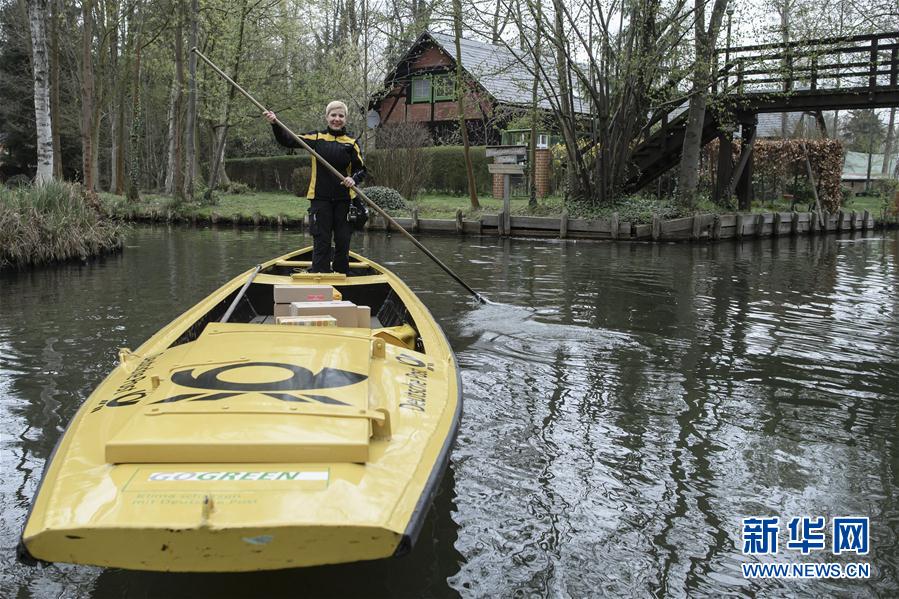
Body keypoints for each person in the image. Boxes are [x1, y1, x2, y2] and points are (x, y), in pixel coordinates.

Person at [263, 101, 366, 274]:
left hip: (344, 200)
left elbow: (361, 169)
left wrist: (353, 179)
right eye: (333, 115)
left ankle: (342, 274)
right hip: (320, 199)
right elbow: (287, 140)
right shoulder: (316, 138)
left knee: (343, 240)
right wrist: (275, 124)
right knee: (322, 240)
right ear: (327, 117)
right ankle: (320, 273)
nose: (337, 119)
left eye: (341, 116)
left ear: (346, 119)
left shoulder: (351, 143)